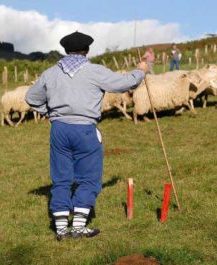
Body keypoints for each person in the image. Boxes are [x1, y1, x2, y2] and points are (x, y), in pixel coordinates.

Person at [25, 31, 148, 241]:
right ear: (87, 50)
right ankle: (79, 226)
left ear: (65, 50)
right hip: (85, 129)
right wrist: (141, 71)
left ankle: (61, 229)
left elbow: (31, 98)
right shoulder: (94, 71)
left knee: (61, 178)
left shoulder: (50, 73)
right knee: (89, 178)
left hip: (59, 130)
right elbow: (123, 84)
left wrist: (52, 114)